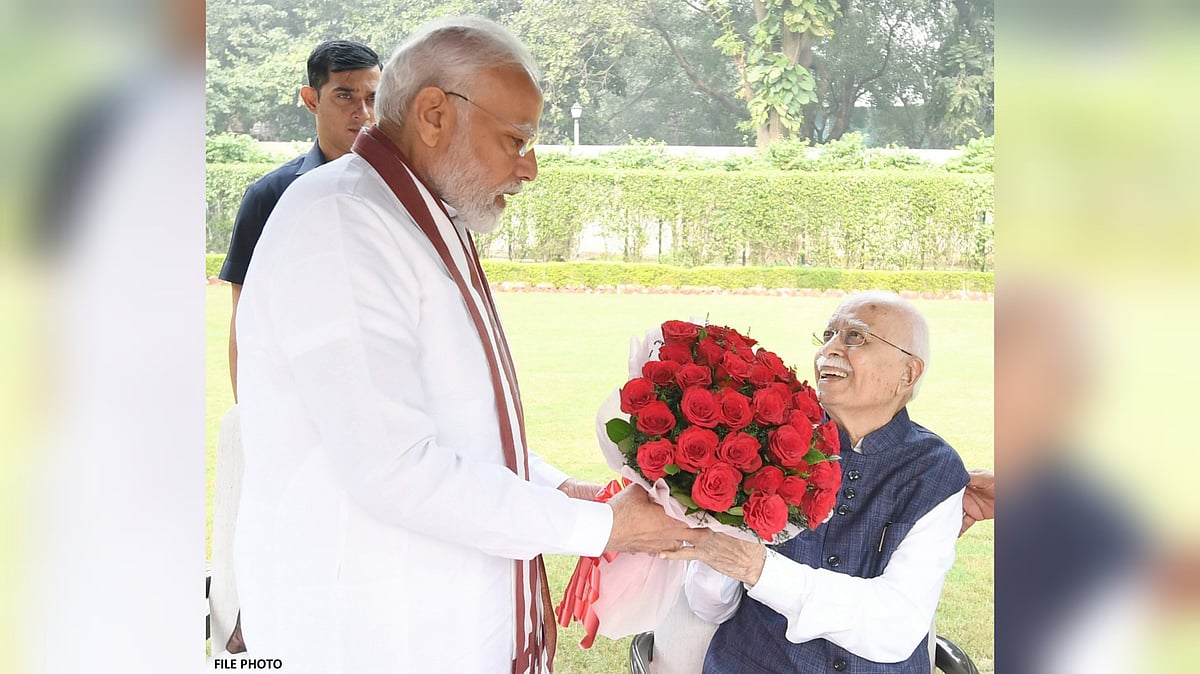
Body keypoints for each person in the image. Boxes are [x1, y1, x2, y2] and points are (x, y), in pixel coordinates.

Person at [231, 15, 702, 673]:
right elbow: (394, 467)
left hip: (434, 613)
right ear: (434, 115)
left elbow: (465, 427)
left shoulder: (411, 214)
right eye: (516, 139)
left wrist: (566, 490)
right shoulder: (342, 220)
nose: (529, 168)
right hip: (372, 632)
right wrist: (604, 528)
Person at [662, 290, 970, 673]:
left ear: (907, 373)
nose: (828, 350)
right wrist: (716, 540)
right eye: (827, 335)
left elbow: (895, 625)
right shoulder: (766, 437)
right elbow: (710, 605)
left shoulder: (935, 470)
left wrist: (760, 569)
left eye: (855, 336)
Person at [219, 39, 382, 400]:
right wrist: (248, 414)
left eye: (372, 98)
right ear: (311, 100)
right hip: (297, 398)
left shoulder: (402, 194)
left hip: (387, 393)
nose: (363, 112)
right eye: (345, 96)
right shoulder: (269, 197)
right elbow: (245, 320)